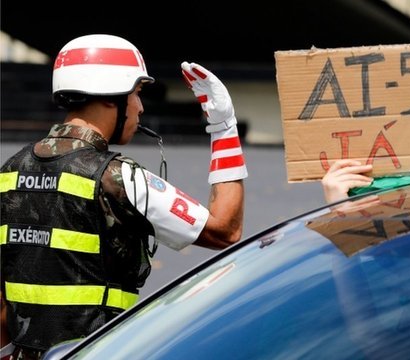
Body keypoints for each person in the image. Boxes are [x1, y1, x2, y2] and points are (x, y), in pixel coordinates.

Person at [0, 34, 247, 359]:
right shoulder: (119, 178)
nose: (140, 107)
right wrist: (224, 127)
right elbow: (226, 229)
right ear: (109, 96)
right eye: (136, 93)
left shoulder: (10, 171)